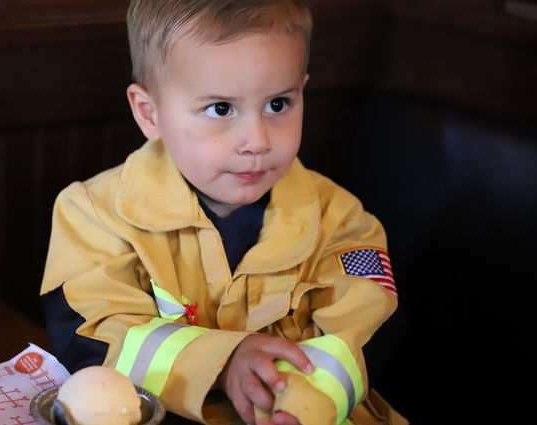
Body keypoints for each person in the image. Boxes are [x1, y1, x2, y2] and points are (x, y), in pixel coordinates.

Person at [41, 1, 406, 424]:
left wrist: (303, 402)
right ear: (149, 113)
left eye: (278, 104)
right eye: (221, 109)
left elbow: (362, 332)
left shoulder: (341, 219)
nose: (256, 141)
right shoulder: (92, 214)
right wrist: (224, 360)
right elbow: (94, 334)